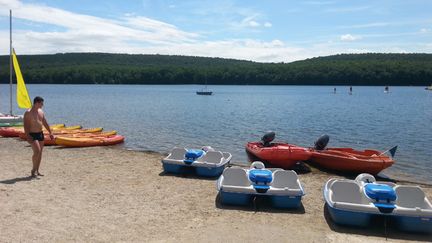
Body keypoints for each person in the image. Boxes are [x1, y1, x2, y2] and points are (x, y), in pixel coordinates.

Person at [24, 96, 54, 177]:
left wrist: (50, 132)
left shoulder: (41, 111)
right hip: (32, 134)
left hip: (40, 134)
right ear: (36, 103)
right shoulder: (28, 112)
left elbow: (44, 122)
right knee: (37, 151)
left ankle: (37, 170)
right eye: (41, 103)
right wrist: (27, 136)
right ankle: (33, 169)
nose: (42, 105)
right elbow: (26, 125)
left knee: (40, 153)